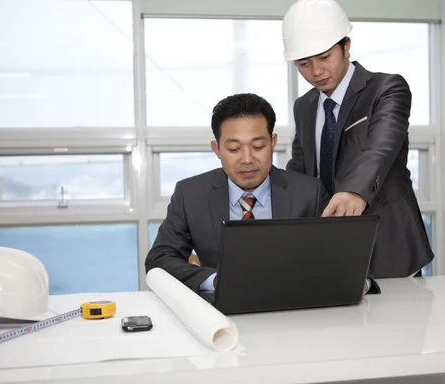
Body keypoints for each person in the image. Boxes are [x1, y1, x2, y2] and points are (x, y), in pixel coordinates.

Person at [145, 93, 379, 295]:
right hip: (224, 316)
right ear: (217, 149)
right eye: (234, 149)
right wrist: (216, 281)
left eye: (258, 146)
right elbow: (160, 259)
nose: (247, 159)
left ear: (273, 142)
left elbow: (343, 259)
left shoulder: (309, 192)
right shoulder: (191, 194)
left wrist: (359, 283)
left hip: (296, 313)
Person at [281, 0, 434, 280]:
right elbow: (301, 170)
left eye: (324, 57)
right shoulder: (304, 106)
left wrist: (354, 190)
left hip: (389, 245)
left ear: (346, 46)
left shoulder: (387, 89)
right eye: (303, 63)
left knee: (401, 323)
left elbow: (380, 148)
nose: (315, 71)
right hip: (330, 250)